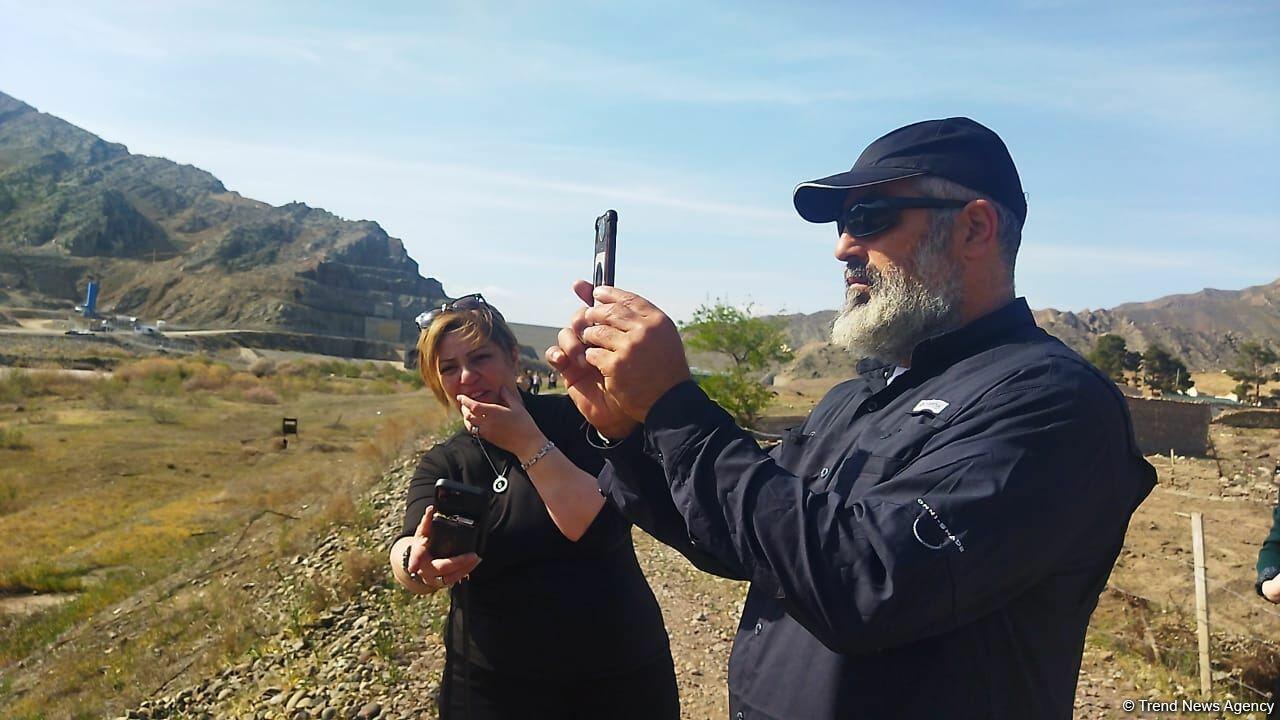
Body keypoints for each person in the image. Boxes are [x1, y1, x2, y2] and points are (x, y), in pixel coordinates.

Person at [547, 118, 1157, 719]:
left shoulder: (1052, 402)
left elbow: (868, 583)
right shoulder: (856, 396)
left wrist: (676, 409)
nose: (843, 247)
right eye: (842, 224)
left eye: (869, 218)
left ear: (974, 227)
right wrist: (628, 433)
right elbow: (743, 539)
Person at [388, 294, 678, 720]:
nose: (466, 376)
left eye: (480, 357)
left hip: (618, 672)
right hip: (493, 685)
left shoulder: (579, 419)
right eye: (448, 368)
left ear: (511, 356)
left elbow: (598, 528)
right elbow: (407, 543)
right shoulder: (447, 460)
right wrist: (415, 564)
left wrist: (526, 442)